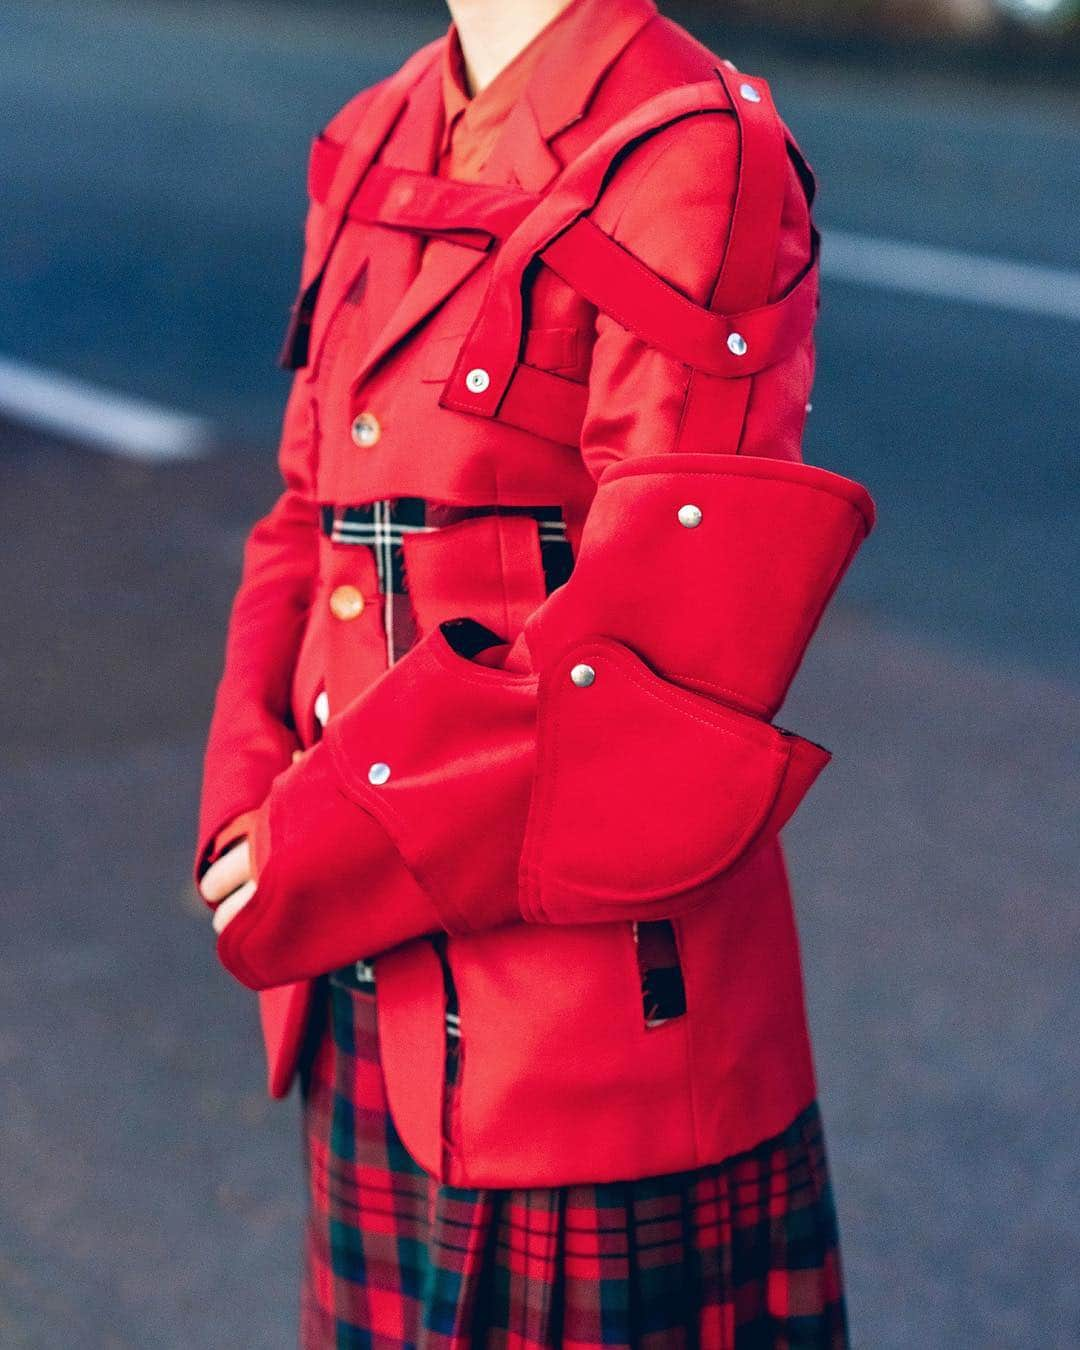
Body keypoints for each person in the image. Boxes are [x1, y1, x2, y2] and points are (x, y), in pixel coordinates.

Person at [194, 0, 876, 1343]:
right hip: (358, 980)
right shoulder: (382, 122)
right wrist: (241, 797)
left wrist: (324, 833)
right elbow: (303, 509)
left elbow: (667, 646)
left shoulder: (693, 149)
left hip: (578, 1033)